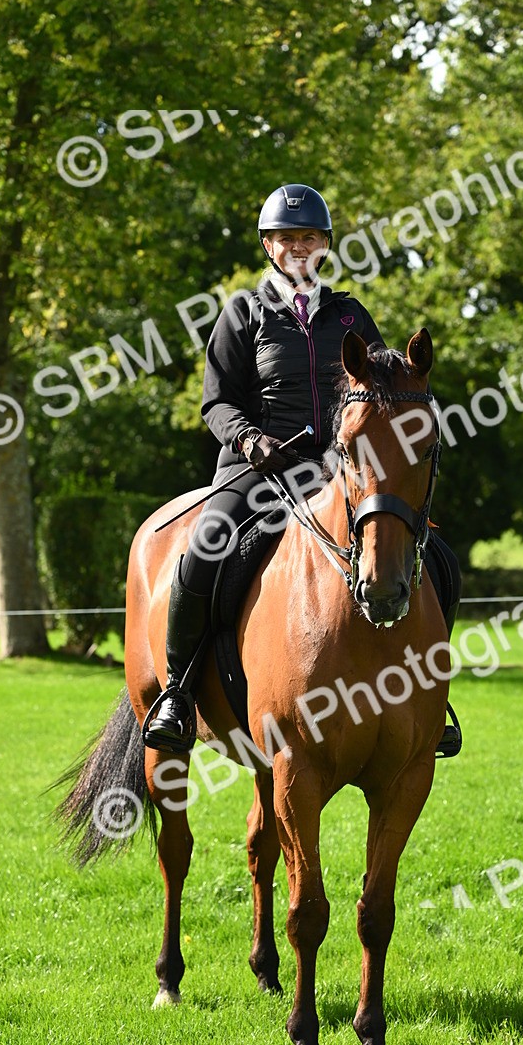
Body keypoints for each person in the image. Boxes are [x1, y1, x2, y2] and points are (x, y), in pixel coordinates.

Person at [143, 183, 461, 756]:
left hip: (336, 473)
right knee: (203, 550)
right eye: (286, 238)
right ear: (269, 246)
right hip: (255, 472)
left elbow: (382, 391)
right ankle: (178, 693)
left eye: (308, 237)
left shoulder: (350, 315)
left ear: (325, 245)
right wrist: (249, 438)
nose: (297, 247)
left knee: (434, 555)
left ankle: (431, 695)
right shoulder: (242, 313)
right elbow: (215, 402)